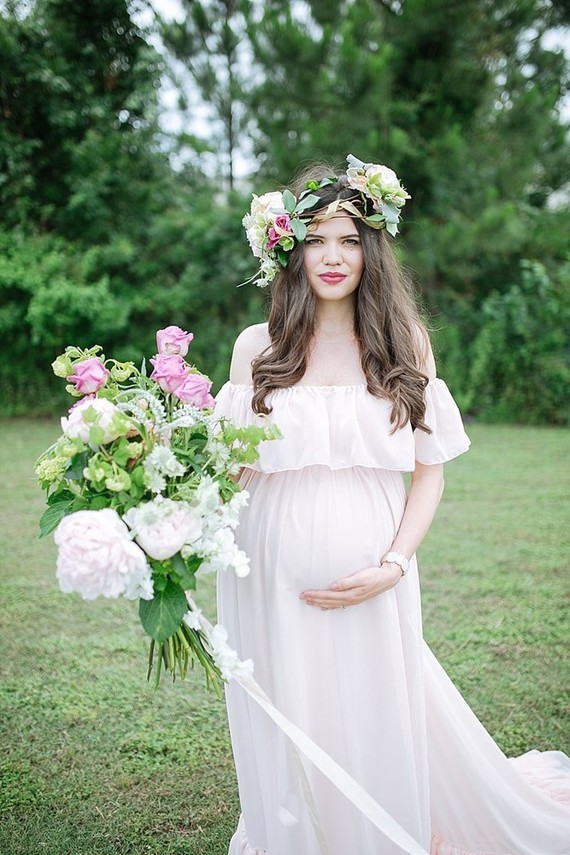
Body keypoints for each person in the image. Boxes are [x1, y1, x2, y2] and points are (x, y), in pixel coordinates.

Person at [214, 155, 570, 855]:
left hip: (374, 574)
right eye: (315, 238)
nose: (333, 255)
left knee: (377, 709)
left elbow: (429, 472)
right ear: (288, 248)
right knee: (288, 708)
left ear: (372, 247)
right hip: (265, 574)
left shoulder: (402, 344)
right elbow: (233, 469)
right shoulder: (257, 347)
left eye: (348, 238)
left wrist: (394, 563)